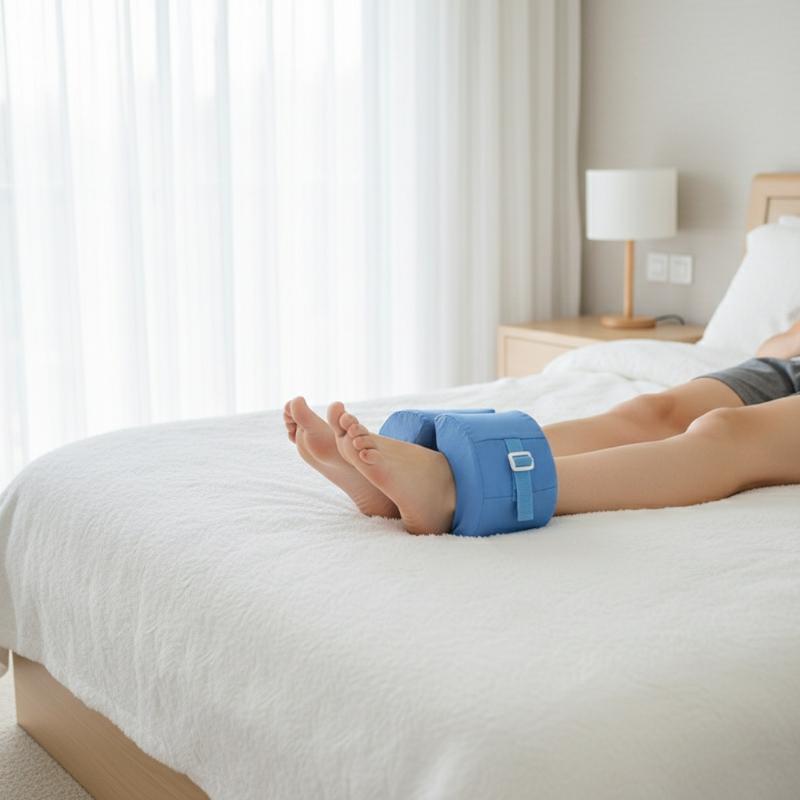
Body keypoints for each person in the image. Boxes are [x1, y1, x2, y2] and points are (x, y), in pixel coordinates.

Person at [284, 322, 800, 535]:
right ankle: (430, 471)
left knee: (725, 432)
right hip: (784, 366)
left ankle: (459, 488)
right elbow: (776, 344)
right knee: (649, 411)